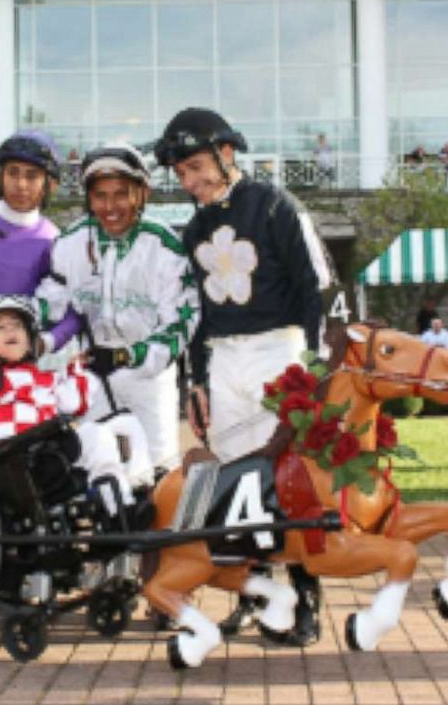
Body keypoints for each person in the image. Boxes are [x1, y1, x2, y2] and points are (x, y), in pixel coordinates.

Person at [154, 107, 335, 647]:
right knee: (234, 485)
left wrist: (318, 365)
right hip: (225, 358)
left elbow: (317, 288)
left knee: (290, 483)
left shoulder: (278, 206)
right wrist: (197, 382)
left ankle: (306, 600)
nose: (188, 183)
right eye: (180, 174)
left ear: (226, 154)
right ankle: (253, 594)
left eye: (194, 168)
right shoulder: (194, 229)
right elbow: (197, 317)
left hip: (280, 349)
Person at [35, 142, 199, 476]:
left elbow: (181, 323)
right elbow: (50, 299)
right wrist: (14, 322)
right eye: (100, 195)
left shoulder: (164, 247)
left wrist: (128, 356)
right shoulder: (71, 243)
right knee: (100, 475)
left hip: (147, 379)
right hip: (93, 375)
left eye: (121, 194)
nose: (110, 207)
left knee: (157, 476)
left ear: (142, 193)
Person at [0, 295, 153, 527]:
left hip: (52, 447)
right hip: (17, 458)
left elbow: (73, 403)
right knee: (95, 436)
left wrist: (83, 368)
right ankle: (116, 505)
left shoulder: (43, 378)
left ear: (30, 338)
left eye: (17, 326)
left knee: (123, 424)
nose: (10, 332)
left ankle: (128, 499)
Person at [0, 129, 80, 353]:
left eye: (32, 176)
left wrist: (43, 344)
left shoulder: (54, 241)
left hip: (15, 367)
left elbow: (73, 312)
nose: (21, 184)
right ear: (1, 176)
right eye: (13, 173)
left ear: (50, 184)